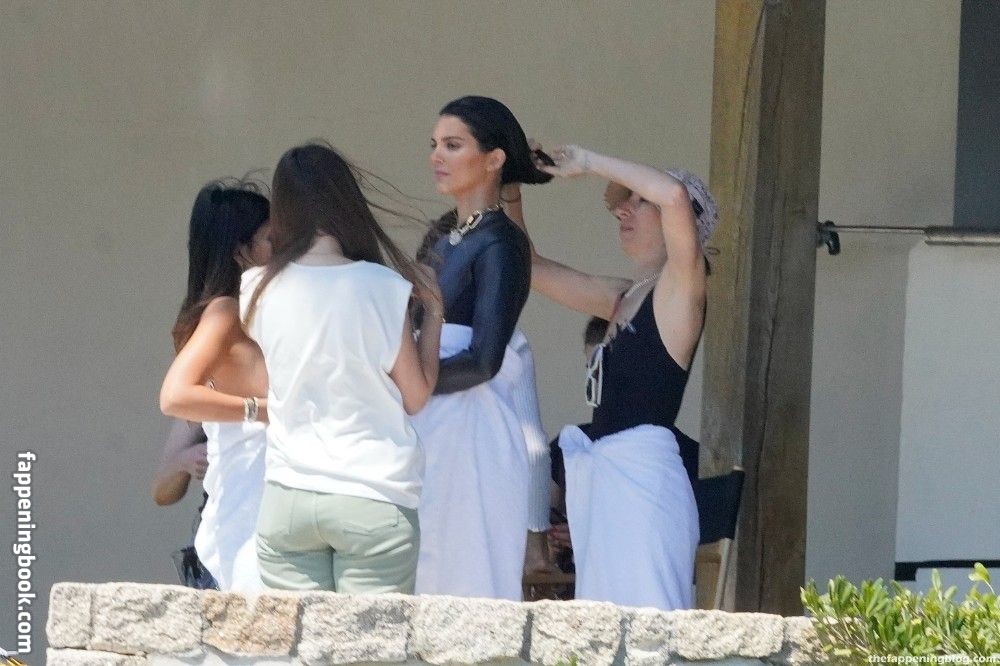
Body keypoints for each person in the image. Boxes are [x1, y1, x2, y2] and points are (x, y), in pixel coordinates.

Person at [509, 143, 718, 610]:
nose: (623, 210)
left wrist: (587, 162)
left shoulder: (683, 287)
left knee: (649, 622)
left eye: (639, 201)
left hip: (644, 482)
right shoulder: (625, 295)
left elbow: (673, 196)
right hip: (604, 481)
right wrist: (511, 187)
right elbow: (528, 266)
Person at [242, 142, 442, 593]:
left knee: (297, 638)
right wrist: (434, 313)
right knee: (373, 638)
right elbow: (416, 396)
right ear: (346, 201)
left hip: (287, 495)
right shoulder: (383, 286)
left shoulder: (255, 288)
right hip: (373, 495)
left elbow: (266, 381)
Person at [413, 96, 551, 600]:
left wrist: (411, 384)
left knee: (462, 569)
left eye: (453, 145)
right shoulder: (440, 233)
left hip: (471, 430)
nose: (437, 156)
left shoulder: (502, 242)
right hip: (425, 423)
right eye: (434, 144)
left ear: (493, 159)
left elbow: (484, 360)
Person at [159, 180, 272, 592]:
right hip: (237, 532)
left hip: (263, 523)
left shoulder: (265, 315)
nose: (284, 248)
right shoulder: (224, 314)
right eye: (271, 239)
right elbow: (175, 399)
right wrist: (259, 410)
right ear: (241, 252)